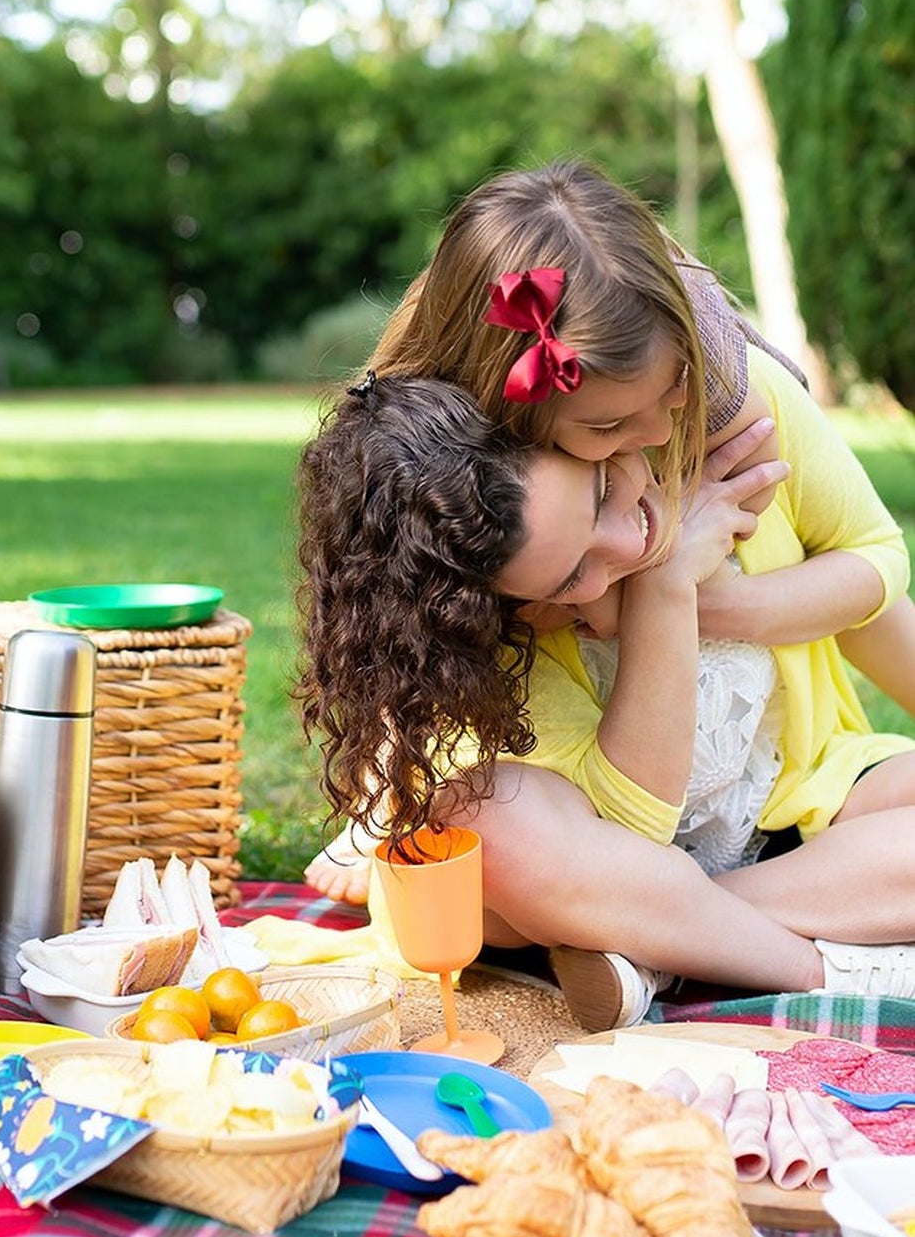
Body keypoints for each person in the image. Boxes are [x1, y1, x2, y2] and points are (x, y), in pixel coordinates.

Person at [303, 158, 915, 905]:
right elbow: (406, 647)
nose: (657, 429)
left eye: (673, 388)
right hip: (594, 822)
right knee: (491, 854)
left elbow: (876, 562)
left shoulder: (735, 409)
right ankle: (692, 918)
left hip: (794, 789)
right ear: (512, 413)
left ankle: (691, 925)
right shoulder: (480, 515)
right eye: (607, 427)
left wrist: (703, 600)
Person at [272, 367, 915, 1031]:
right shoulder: (500, 617)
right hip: (596, 868)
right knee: (487, 821)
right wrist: (662, 589)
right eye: (571, 573)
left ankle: (658, 953)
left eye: (603, 488)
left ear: (581, 433)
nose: (625, 540)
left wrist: (710, 598)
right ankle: (817, 966)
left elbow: (872, 579)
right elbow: (632, 834)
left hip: (789, 816)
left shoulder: (725, 429)